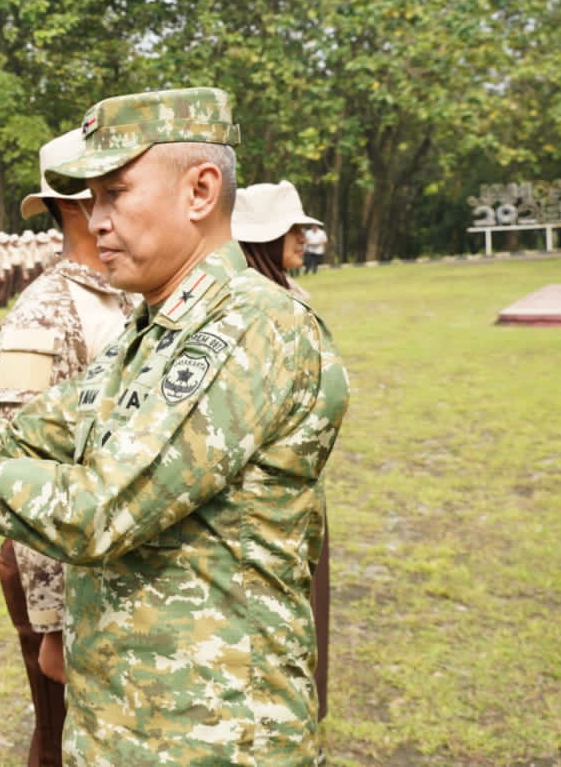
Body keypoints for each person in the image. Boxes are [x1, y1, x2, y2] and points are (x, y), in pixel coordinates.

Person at [0, 86, 349, 765]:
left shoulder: (248, 327)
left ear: (199, 190)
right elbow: (31, 435)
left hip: (213, 733)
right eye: (89, 199)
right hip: (129, 726)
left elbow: (99, 509)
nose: (94, 220)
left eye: (115, 193)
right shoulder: (156, 329)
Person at [0, 128, 137, 767]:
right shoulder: (43, 316)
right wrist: (50, 620)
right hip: (53, 564)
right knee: (59, 740)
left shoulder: (128, 293)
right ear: (83, 203)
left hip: (107, 552)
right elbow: (24, 473)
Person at [232, 179, 333, 719]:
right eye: (290, 228)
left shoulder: (286, 297)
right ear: (263, 239)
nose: (302, 237)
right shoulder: (252, 309)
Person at [232, 180, 323, 297]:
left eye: (301, 229)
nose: (303, 239)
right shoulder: (253, 300)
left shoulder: (276, 286)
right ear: (267, 240)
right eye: (293, 229)